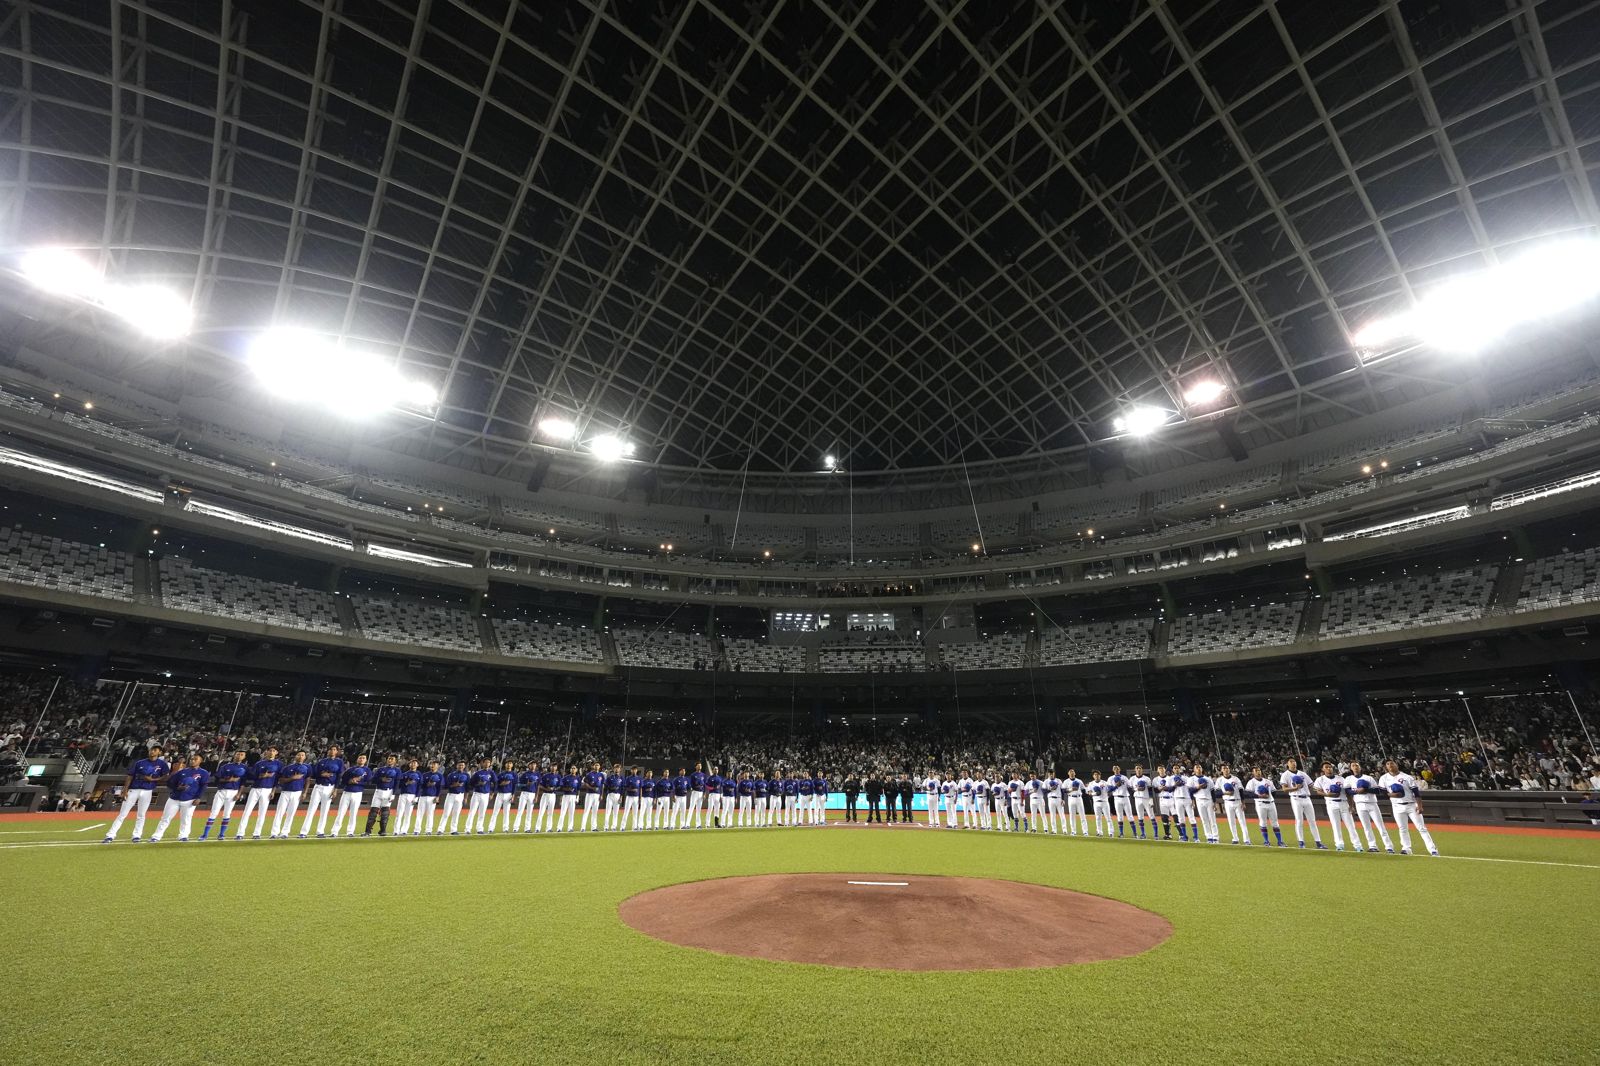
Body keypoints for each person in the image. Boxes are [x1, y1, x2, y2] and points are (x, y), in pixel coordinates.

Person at [104, 745, 170, 843]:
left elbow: (166, 776)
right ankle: (110, 835)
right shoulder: (140, 762)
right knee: (122, 814)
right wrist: (125, 790)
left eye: (155, 750)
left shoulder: (162, 764)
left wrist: (153, 779)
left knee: (141, 815)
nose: (152, 751)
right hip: (133, 790)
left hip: (147, 791)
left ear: (159, 753)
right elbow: (130, 776)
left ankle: (137, 835)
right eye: (151, 750)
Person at [1379, 759, 1440, 856]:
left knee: (1421, 828)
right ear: (1386, 767)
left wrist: (1419, 806)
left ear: (1396, 764)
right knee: (1402, 828)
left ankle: (1433, 849)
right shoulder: (1383, 778)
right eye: (1388, 764)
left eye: (1392, 763)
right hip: (1397, 806)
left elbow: (1416, 793)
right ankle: (1406, 848)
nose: (1390, 765)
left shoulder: (1407, 777)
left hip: (1411, 805)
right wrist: (1393, 795)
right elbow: (1382, 793)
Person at [149, 754, 210, 842]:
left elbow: (203, 786)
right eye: (191, 759)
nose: (192, 760)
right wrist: (177, 788)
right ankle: (156, 836)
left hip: (190, 800)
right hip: (174, 799)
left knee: (186, 819)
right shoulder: (182, 771)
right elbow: (170, 783)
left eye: (195, 759)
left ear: (201, 761)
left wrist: (198, 797)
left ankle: (183, 836)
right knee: (165, 818)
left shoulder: (204, 773)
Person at [199, 749, 248, 840]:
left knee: (227, 814)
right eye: (238, 754)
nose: (239, 756)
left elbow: (243, 783)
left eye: (242, 755)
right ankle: (205, 835)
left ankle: (221, 834)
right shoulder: (225, 766)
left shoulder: (245, 768)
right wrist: (229, 779)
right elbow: (217, 779)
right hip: (222, 791)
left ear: (244, 757)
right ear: (234, 755)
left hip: (234, 792)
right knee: (214, 813)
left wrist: (238, 794)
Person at [1280, 758, 1326, 850]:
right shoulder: (1285, 775)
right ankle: (1301, 842)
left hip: (1307, 798)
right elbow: (1284, 789)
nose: (1293, 763)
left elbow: (1311, 785)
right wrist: (1295, 788)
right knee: (1299, 820)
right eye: (1291, 762)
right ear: (1287, 764)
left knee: (1312, 821)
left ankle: (1318, 842)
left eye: (1294, 761)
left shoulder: (1302, 773)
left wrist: (1321, 789)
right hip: (1296, 798)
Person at [237, 746, 282, 840]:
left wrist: (273, 791)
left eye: (273, 751)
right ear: (266, 752)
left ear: (276, 752)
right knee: (247, 810)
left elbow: (277, 779)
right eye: (270, 750)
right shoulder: (259, 763)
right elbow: (252, 776)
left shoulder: (279, 764)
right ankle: (240, 833)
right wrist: (262, 775)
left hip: (268, 790)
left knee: (262, 812)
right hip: (255, 788)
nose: (271, 752)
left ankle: (257, 833)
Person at [1314, 761, 1359, 852]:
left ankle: (1358, 845)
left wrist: (1351, 806)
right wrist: (1327, 794)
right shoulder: (1320, 779)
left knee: (1351, 825)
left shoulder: (1341, 778)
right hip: (1331, 804)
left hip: (1344, 803)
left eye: (1330, 767)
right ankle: (1339, 844)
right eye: (1326, 767)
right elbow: (1318, 791)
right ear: (1322, 769)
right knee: (1335, 825)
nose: (1329, 768)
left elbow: (1348, 793)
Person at [303, 745, 346, 839]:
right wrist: (322, 774)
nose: (332, 751)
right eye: (331, 749)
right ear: (328, 751)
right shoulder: (322, 761)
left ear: (337, 752)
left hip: (329, 787)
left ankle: (320, 831)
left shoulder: (339, 762)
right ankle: (304, 832)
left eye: (334, 749)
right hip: (318, 786)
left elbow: (339, 776)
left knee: (325, 811)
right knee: (311, 809)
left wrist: (335, 789)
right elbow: (314, 774)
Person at [270, 751, 311, 839]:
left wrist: (305, 792)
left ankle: (285, 832)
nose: (300, 756)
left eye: (302, 755)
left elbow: (307, 780)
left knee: (291, 813)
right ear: (295, 756)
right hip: (285, 792)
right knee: (279, 812)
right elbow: (281, 780)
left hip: (297, 792)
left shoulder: (307, 768)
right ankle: (274, 833)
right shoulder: (287, 768)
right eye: (299, 755)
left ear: (305, 757)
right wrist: (292, 778)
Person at [329, 754, 370, 838]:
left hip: (358, 793)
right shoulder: (350, 769)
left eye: (363, 758)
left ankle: (350, 832)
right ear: (357, 759)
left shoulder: (367, 770)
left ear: (366, 760)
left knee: (353, 813)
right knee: (341, 813)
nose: (361, 759)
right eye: (360, 758)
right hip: (347, 792)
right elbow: (343, 781)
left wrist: (359, 782)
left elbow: (368, 782)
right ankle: (334, 832)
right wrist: (350, 781)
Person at [1245, 766, 1285, 847]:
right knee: (1263, 822)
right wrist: (1259, 796)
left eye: (1259, 770)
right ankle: (1266, 841)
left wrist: (1268, 796)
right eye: (1256, 771)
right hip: (1260, 804)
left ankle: (1280, 841)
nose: (1258, 772)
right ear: (1253, 773)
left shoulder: (1268, 781)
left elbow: (1274, 792)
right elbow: (1248, 793)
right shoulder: (1251, 782)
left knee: (1275, 823)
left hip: (1271, 803)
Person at [364, 755, 402, 837]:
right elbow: (373, 780)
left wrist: (393, 794)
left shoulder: (397, 771)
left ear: (395, 761)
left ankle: (383, 830)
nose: (390, 760)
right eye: (389, 758)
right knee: (373, 812)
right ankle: (367, 831)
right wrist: (381, 779)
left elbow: (397, 783)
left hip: (389, 792)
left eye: (392, 759)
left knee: (385, 813)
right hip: (378, 791)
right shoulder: (380, 769)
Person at [1217, 763, 1250, 845]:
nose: (1226, 770)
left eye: (1227, 768)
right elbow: (1216, 792)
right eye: (1224, 768)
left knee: (1242, 821)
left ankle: (1246, 840)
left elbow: (1241, 791)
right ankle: (1235, 838)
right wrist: (1225, 793)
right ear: (1221, 770)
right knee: (1231, 822)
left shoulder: (1235, 779)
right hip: (1227, 802)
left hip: (1238, 802)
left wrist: (1243, 803)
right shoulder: (1219, 780)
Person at [1189, 763, 1219, 844]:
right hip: (1199, 800)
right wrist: (1198, 787)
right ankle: (1209, 836)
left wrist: (1214, 802)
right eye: (1197, 767)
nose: (1198, 768)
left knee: (1212, 819)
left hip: (1209, 800)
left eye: (1200, 767)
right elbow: (1190, 791)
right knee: (1204, 820)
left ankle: (1215, 837)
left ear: (1202, 769)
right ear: (1194, 770)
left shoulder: (1208, 779)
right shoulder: (1191, 779)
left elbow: (1212, 792)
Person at [440, 760, 471, 835]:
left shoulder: (467, 775)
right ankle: (440, 829)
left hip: (460, 795)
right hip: (451, 795)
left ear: (464, 766)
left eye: (462, 765)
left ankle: (453, 830)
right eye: (459, 765)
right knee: (446, 813)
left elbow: (467, 788)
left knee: (456, 814)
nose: (461, 766)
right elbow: (446, 786)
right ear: (457, 766)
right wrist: (455, 785)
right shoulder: (451, 775)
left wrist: (465, 798)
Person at [466, 758, 495, 834]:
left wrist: (492, 793)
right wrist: (478, 784)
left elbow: (495, 782)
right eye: (485, 762)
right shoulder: (477, 773)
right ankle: (468, 829)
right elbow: (471, 783)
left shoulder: (491, 773)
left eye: (488, 762)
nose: (487, 764)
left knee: (482, 813)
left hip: (486, 794)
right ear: (482, 763)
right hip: (477, 794)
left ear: (490, 764)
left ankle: (480, 829)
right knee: (472, 812)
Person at [394, 759, 422, 836]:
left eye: (415, 763)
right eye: (412, 763)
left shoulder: (419, 774)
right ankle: (396, 830)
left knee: (408, 814)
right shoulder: (404, 774)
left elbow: (419, 786)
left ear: (417, 765)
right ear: (409, 765)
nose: (413, 764)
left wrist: (417, 797)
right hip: (403, 795)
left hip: (412, 795)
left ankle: (404, 830)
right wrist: (407, 783)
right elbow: (399, 785)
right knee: (399, 813)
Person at [490, 760, 520, 833]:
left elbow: (514, 786)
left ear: (512, 765)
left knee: (506, 812)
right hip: (500, 794)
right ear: (505, 765)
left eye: (510, 763)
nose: (509, 765)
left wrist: (513, 795)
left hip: (508, 794)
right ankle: (491, 828)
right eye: (507, 763)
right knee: (495, 812)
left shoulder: (514, 774)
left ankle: (505, 828)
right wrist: (502, 784)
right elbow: (496, 784)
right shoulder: (501, 774)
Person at [416, 760, 444, 836]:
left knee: (430, 814)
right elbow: (420, 785)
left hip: (432, 797)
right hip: (423, 796)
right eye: (431, 764)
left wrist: (437, 796)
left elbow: (440, 787)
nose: (432, 765)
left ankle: (428, 830)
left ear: (438, 766)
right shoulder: (425, 775)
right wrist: (427, 784)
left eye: (434, 764)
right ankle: (417, 830)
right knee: (419, 813)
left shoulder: (440, 776)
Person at [515, 761, 542, 833]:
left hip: (532, 794)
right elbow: (518, 785)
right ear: (529, 766)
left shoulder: (538, 775)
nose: (533, 765)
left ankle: (527, 828)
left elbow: (538, 786)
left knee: (529, 812)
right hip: (524, 793)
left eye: (534, 764)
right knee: (520, 811)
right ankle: (515, 828)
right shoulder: (525, 774)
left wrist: (536, 796)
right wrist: (525, 785)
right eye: (532, 764)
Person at [1130, 765, 1155, 839]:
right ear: (1135, 770)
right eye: (1137, 768)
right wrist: (1136, 789)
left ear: (1142, 770)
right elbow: (1130, 789)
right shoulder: (1132, 779)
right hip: (1137, 799)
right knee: (1140, 817)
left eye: (1140, 768)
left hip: (1146, 798)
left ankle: (1156, 834)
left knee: (1151, 816)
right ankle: (1143, 834)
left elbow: (1150, 790)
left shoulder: (1146, 778)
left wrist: (1151, 799)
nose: (1138, 769)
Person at [536, 761, 561, 832]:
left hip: (553, 795)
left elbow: (560, 786)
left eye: (555, 766)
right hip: (545, 794)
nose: (553, 767)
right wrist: (547, 789)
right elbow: (540, 785)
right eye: (552, 766)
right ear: (550, 767)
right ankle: (537, 828)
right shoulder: (545, 776)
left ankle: (549, 828)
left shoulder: (558, 776)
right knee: (541, 811)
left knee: (550, 812)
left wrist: (554, 788)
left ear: (556, 768)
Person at [1108, 765, 1132, 837]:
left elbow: (1129, 787)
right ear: (1113, 770)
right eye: (1115, 769)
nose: (1116, 770)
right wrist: (1116, 786)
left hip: (1125, 797)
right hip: (1117, 798)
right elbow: (1109, 789)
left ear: (1119, 769)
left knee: (1130, 816)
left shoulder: (1124, 777)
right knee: (1119, 816)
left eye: (1117, 769)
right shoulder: (1110, 778)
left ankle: (1135, 833)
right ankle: (1121, 833)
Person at [580, 761, 605, 832]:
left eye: (598, 765)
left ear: (599, 767)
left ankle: (594, 827)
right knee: (586, 811)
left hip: (597, 795)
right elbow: (585, 783)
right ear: (593, 766)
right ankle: (583, 827)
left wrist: (601, 795)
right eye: (595, 765)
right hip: (590, 794)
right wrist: (592, 788)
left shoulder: (601, 775)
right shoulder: (589, 774)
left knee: (595, 811)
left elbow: (602, 785)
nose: (596, 766)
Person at [1063, 770, 1087, 836]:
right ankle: (1073, 831)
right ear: (1068, 773)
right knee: (1072, 816)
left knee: (1082, 815)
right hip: (1071, 798)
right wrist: (1071, 789)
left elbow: (1083, 790)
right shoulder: (1066, 781)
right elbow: (1064, 790)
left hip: (1079, 798)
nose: (1072, 773)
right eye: (1070, 772)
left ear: (1075, 773)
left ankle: (1085, 831)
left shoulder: (1079, 781)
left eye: (1073, 771)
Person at [557, 764, 580, 832]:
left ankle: (570, 827)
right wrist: (567, 789)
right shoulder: (565, 778)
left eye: (574, 768)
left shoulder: (578, 778)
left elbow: (578, 789)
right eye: (572, 768)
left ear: (576, 770)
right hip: (566, 796)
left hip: (573, 796)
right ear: (570, 770)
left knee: (571, 813)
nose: (573, 769)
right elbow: (561, 787)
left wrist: (577, 797)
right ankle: (559, 827)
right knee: (563, 812)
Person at [1087, 771, 1111, 836]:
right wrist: (1095, 793)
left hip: (1104, 802)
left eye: (1098, 774)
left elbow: (1109, 792)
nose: (1096, 776)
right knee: (1098, 818)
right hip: (1096, 802)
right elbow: (1089, 792)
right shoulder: (1091, 783)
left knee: (1108, 818)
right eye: (1095, 775)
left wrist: (1107, 796)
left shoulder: (1105, 783)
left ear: (1100, 775)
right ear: (1093, 776)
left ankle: (1111, 832)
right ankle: (1099, 832)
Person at [687, 763, 708, 828]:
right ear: (695, 767)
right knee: (691, 808)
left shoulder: (703, 775)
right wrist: (692, 788)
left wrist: (704, 793)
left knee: (699, 809)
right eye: (698, 765)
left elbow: (705, 785)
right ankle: (687, 824)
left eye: (700, 765)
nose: (699, 766)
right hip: (695, 792)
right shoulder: (693, 775)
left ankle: (698, 824)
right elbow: (690, 784)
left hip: (701, 793)